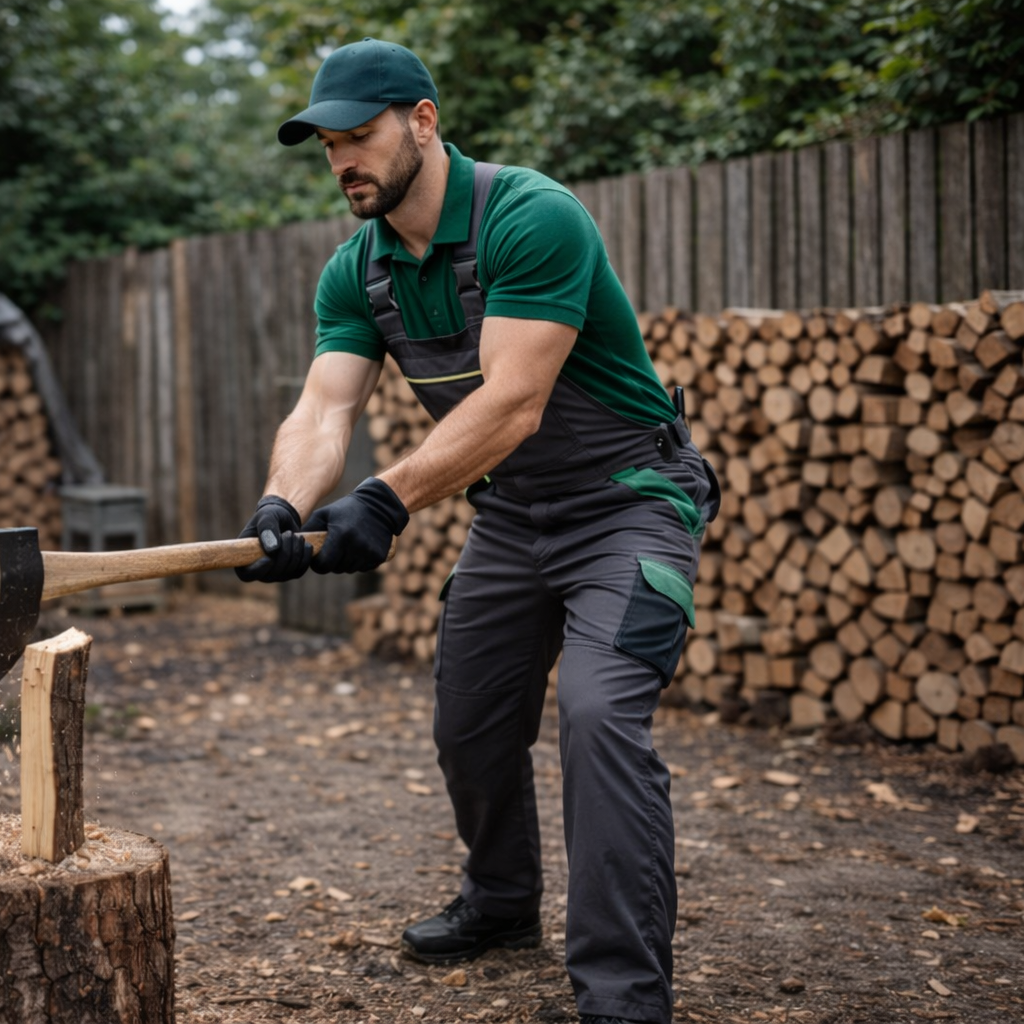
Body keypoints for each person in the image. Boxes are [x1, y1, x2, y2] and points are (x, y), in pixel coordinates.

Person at [233, 38, 719, 1024]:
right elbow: (325, 408)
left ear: (422, 121)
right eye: (326, 146)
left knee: (596, 715)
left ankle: (622, 994)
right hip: (511, 521)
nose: (341, 162)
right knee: (470, 717)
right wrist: (282, 503)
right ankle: (501, 902)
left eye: (357, 137)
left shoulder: (530, 217)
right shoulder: (357, 271)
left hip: (626, 503)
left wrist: (385, 498)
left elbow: (514, 402)